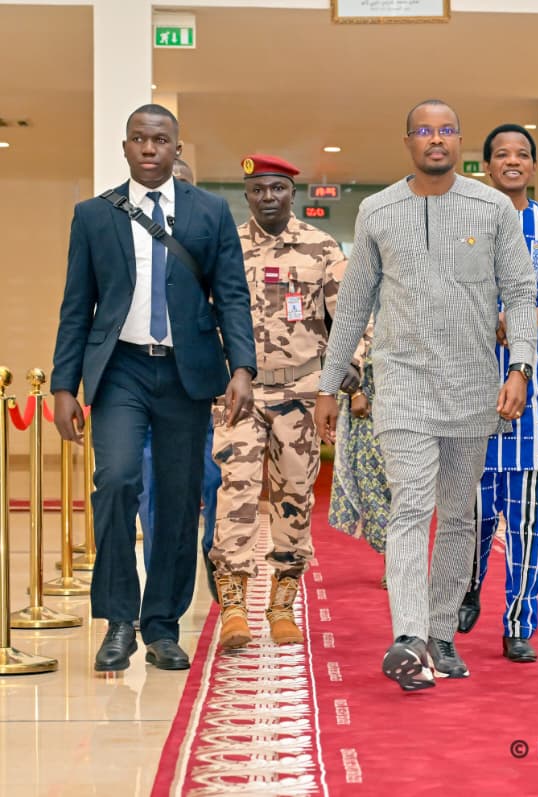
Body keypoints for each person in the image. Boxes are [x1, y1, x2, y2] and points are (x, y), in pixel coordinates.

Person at [314, 99, 537, 692]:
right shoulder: (378, 210)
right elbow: (354, 303)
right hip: (403, 384)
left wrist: (520, 367)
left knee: (458, 516)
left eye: (446, 130)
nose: (436, 139)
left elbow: (519, 292)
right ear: (408, 141)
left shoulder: (491, 207)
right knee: (411, 506)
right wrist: (329, 384)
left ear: (459, 141)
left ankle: (441, 632)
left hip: (472, 385)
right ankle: (409, 637)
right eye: (424, 131)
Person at [50, 104, 255, 673]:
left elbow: (231, 295)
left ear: (175, 148)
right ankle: (119, 621)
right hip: (120, 369)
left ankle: (163, 625)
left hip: (187, 372)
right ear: (125, 147)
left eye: (159, 140)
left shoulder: (210, 211)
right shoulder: (94, 216)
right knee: (117, 481)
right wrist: (64, 384)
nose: (148, 148)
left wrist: (242, 367)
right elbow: (76, 306)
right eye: (139, 139)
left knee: (177, 499)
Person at [209, 154, 347, 649]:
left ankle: (282, 606)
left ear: (293, 192)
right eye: (258, 189)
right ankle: (234, 608)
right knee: (237, 494)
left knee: (294, 497)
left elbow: (349, 317)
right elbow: (206, 317)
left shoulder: (321, 246)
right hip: (240, 391)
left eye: (277, 188)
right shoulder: (226, 246)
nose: (268, 197)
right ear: (247, 195)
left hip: (301, 393)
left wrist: (347, 377)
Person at [455, 124, 538, 663]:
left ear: (533, 165)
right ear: (485, 166)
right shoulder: (462, 222)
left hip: (535, 395)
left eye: (522, 154)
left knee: (530, 518)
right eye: (501, 154)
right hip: (469, 393)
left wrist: (524, 318)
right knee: (471, 512)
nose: (512, 161)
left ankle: (518, 625)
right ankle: (466, 586)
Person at [137, 156, 222, 603]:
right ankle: (161, 590)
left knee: (217, 485)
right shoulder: (128, 234)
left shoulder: (212, 237)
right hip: (146, 386)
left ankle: (214, 557)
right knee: (152, 496)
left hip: (204, 393)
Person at [328, 317, 392, 584]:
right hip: (369, 396)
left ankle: (403, 559)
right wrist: (354, 392)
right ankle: (393, 558)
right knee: (373, 480)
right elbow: (349, 331)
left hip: (408, 393)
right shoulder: (367, 294)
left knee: (407, 483)